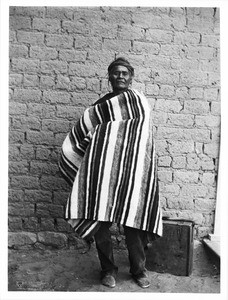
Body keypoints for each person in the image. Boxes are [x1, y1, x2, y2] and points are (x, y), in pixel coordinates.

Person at [59, 57, 162, 289]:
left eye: (125, 73)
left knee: (135, 223)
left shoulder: (139, 102)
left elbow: (144, 138)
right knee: (101, 225)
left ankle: (139, 270)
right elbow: (88, 133)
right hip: (102, 175)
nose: (121, 76)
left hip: (132, 173)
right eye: (116, 73)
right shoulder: (100, 106)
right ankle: (108, 270)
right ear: (110, 77)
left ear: (131, 76)